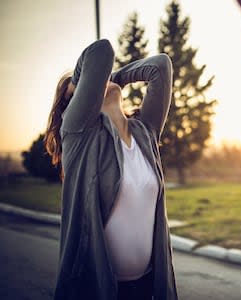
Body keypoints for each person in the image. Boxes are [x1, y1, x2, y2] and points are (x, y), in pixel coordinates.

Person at [45, 39, 178, 300]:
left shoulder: (145, 132)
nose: (101, 81)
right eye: (91, 84)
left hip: (145, 288)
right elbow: (101, 51)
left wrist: (116, 77)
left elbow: (160, 66)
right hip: (97, 290)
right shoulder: (79, 135)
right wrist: (79, 83)